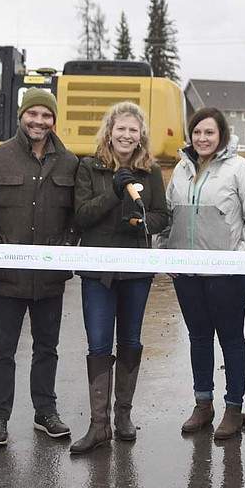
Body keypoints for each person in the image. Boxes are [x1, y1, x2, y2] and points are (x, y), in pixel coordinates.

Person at [0, 88, 79, 447]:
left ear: (54, 120)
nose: (39, 121)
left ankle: (45, 412)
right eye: (33, 114)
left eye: (46, 116)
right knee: (3, 349)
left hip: (50, 278)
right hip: (8, 277)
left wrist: (68, 244)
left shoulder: (69, 163)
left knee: (47, 348)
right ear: (22, 116)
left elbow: (77, 214)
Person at [164, 106, 245, 442]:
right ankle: (203, 403)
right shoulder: (181, 170)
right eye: (197, 132)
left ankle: (233, 408)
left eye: (209, 132)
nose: (202, 138)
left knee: (231, 339)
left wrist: (240, 260)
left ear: (221, 134)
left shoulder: (241, 169)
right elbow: (169, 216)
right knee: (198, 338)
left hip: (228, 275)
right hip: (188, 274)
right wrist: (167, 256)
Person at [70, 102, 169, 454]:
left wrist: (142, 223)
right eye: (121, 128)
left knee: (130, 339)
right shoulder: (89, 167)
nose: (127, 135)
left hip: (136, 270)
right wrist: (113, 191)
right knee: (99, 344)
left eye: (133, 130)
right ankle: (99, 426)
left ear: (141, 135)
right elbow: (81, 215)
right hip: (98, 271)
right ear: (109, 132)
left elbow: (162, 216)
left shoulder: (150, 171)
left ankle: (123, 415)